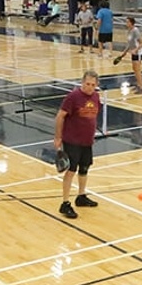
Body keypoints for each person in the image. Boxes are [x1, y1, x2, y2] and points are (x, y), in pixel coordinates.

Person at [53, 69, 102, 219]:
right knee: (71, 170)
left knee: (85, 168)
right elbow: (60, 116)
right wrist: (58, 137)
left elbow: (93, 115)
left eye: (93, 85)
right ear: (82, 82)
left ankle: (81, 196)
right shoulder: (73, 97)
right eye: (87, 84)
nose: (89, 87)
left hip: (87, 141)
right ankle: (65, 203)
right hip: (72, 141)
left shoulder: (96, 96)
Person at [115, 17, 142, 93]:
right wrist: (124, 52)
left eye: (127, 22)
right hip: (133, 52)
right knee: (134, 69)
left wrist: (135, 50)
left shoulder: (136, 31)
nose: (126, 23)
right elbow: (129, 44)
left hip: (139, 52)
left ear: (132, 23)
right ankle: (139, 85)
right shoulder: (129, 31)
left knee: (137, 70)